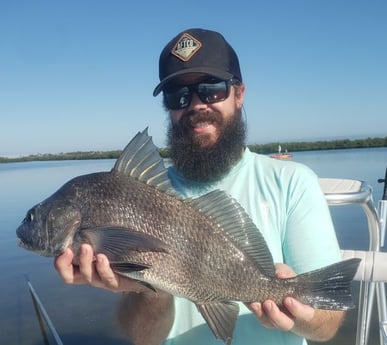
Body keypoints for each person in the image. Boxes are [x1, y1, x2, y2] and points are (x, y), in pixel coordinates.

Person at [55, 28, 346, 345]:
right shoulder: (141, 193)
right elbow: (143, 339)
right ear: (169, 107)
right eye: (178, 95)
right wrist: (149, 289)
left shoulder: (292, 182)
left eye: (211, 89)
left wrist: (299, 311)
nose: (195, 104)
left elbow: (327, 326)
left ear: (239, 93)